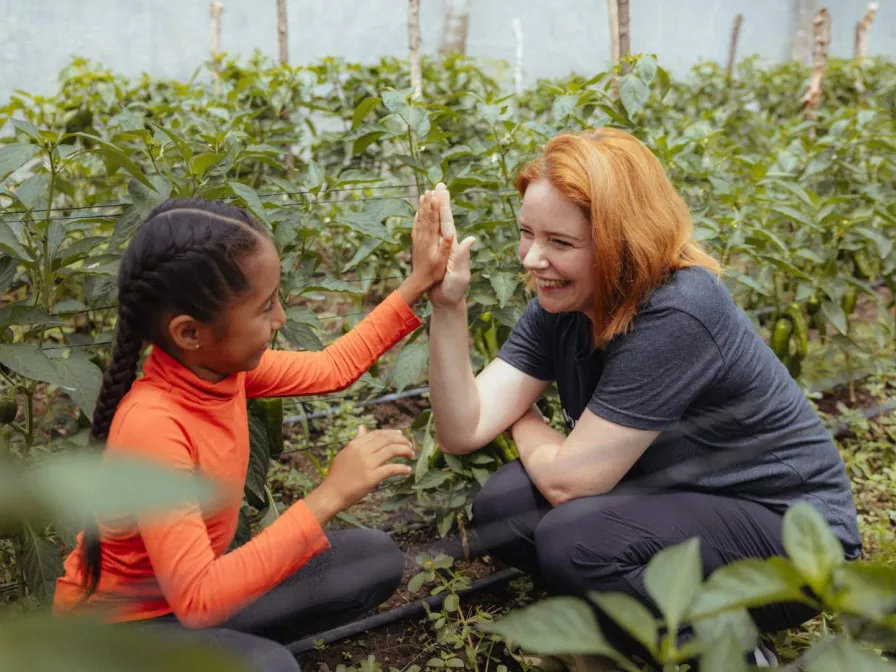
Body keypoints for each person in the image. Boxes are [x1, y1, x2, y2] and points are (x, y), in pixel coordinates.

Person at [426, 129, 862, 665]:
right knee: (504, 506)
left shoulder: (679, 310)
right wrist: (448, 307)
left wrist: (522, 413)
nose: (532, 259)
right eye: (526, 234)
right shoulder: (562, 303)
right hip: (684, 498)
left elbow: (569, 481)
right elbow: (461, 429)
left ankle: (729, 652)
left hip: (791, 533)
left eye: (559, 243)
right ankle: (626, 634)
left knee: (574, 536)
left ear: (620, 240)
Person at [53, 192, 453, 672]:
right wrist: (329, 495)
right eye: (265, 308)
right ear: (189, 332)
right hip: (118, 638)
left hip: (190, 608)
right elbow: (198, 599)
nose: (281, 318)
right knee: (270, 667)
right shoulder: (153, 427)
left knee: (370, 560)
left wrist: (420, 279)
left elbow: (332, 366)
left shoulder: (219, 370)